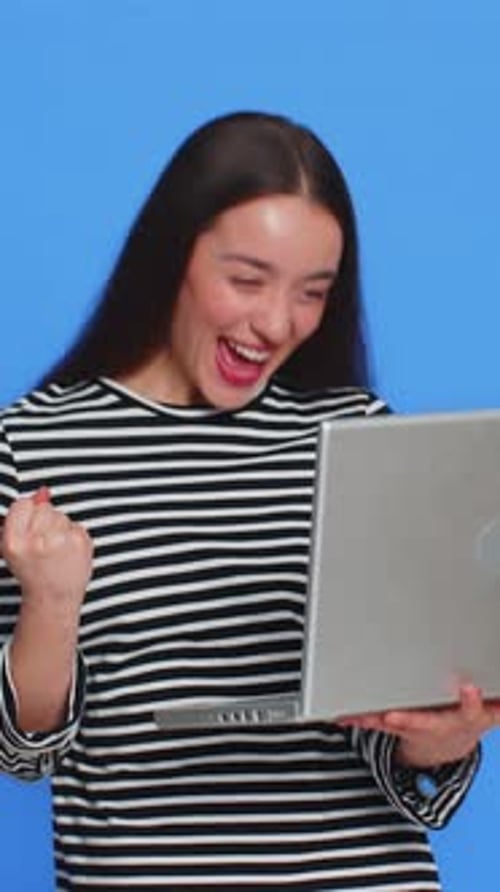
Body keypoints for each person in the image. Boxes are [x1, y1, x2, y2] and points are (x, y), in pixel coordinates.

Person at [0, 111, 498, 892]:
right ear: (174, 257)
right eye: (247, 280)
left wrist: (440, 737)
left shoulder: (355, 436)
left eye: (312, 293)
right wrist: (53, 604)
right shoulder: (33, 446)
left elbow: (386, 734)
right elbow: (24, 752)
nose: (275, 323)